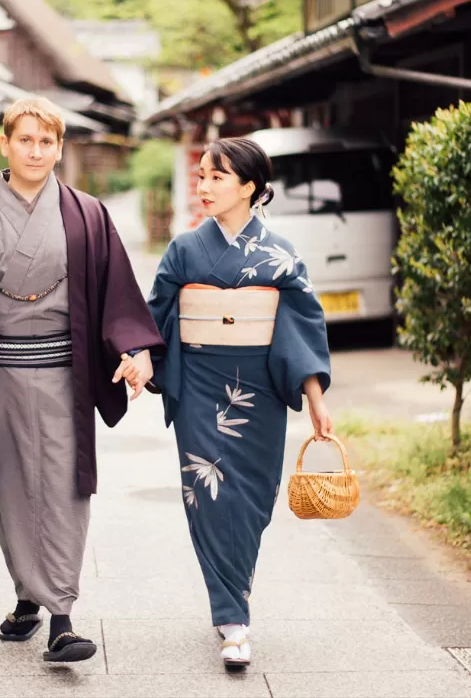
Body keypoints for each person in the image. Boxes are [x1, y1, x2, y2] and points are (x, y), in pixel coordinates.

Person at [0, 97, 163, 663]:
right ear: (5, 144)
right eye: (25, 140)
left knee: (66, 488)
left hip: (68, 377)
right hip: (1, 378)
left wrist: (135, 348)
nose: (36, 151)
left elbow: (118, 293)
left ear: (59, 148)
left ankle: (62, 617)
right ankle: (27, 597)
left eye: (47, 142)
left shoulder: (88, 214)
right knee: (11, 489)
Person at [120, 137, 333, 671]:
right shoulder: (185, 250)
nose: (205, 186)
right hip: (199, 384)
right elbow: (152, 314)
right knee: (208, 495)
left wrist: (314, 399)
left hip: (258, 386)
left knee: (256, 497)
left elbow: (301, 327)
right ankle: (234, 619)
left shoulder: (281, 254)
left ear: (250, 187)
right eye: (201, 176)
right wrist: (141, 356)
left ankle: (234, 587)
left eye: (218, 177)